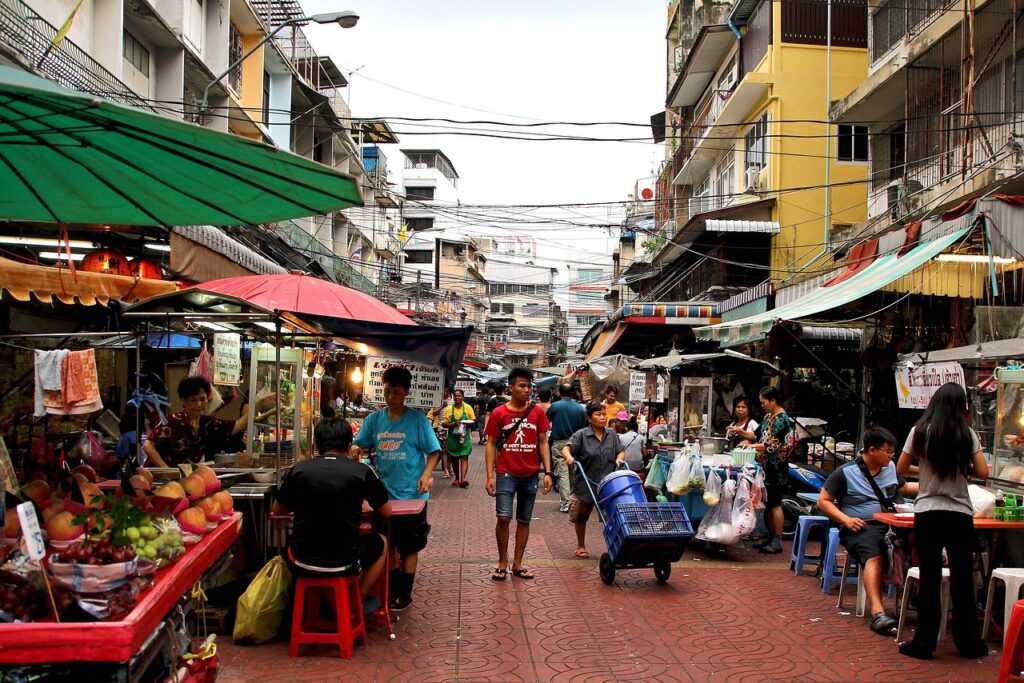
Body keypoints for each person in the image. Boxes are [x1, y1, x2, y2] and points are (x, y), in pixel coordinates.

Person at [896, 383, 989, 660]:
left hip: (927, 512)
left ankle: (924, 643)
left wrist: (924, 466)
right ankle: (968, 643)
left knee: (930, 577)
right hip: (959, 513)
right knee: (962, 578)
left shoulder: (920, 432)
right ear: (962, 406)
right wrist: (961, 467)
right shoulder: (966, 434)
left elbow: (901, 468)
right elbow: (983, 471)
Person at [273, 418, 391, 609]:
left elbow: (278, 510)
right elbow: (387, 511)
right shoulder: (361, 471)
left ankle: (326, 606)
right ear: (349, 444)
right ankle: (354, 603)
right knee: (382, 543)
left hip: (300, 558)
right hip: (345, 559)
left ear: (316, 444)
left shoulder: (299, 470)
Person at [352, 366, 441, 612]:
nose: (390, 396)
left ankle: (406, 592)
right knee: (387, 543)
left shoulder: (417, 420)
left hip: (413, 494)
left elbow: (434, 452)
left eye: (396, 392)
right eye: (387, 391)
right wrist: (355, 450)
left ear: (406, 392)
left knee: (410, 545)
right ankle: (391, 589)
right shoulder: (374, 420)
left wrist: (426, 474)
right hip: (384, 495)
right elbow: (358, 444)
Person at [818, 427, 918, 636]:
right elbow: (823, 501)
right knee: (874, 555)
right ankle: (878, 612)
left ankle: (916, 600)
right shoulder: (845, 472)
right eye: (888, 451)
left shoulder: (890, 467)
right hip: (860, 526)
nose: (892, 456)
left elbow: (903, 488)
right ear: (872, 450)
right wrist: (846, 519)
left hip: (891, 522)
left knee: (920, 546)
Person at [485, 368, 553, 580]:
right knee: (504, 517)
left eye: (529, 386)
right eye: (522, 386)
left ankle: (518, 564)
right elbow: (491, 444)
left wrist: (548, 472)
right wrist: (489, 475)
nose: (526, 390)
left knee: (524, 520)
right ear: (511, 388)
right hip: (506, 473)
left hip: (531, 474)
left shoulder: (538, 412)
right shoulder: (499, 413)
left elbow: (543, 442)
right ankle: (502, 562)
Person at [144, 376, 265, 467]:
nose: (199, 404)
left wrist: (258, 406)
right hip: (161, 481)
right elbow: (148, 445)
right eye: (193, 400)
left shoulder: (207, 423)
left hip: (184, 479)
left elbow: (237, 425)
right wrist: (165, 470)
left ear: (208, 398)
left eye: (202, 399)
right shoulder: (173, 422)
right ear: (184, 401)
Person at [562, 402, 625, 558]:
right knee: (582, 515)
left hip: (608, 483)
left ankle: (617, 544)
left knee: (612, 514)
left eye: (604, 414)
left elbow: (621, 451)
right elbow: (566, 448)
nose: (603, 417)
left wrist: (619, 459)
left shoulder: (612, 434)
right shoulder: (581, 435)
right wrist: (569, 457)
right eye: (598, 414)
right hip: (586, 482)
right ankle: (580, 545)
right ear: (590, 418)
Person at [745, 386, 794, 554]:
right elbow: (757, 436)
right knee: (768, 502)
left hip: (777, 467)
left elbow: (771, 445)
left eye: (764, 402)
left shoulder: (782, 419)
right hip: (765, 466)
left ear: (773, 401)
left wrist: (750, 447)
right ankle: (770, 536)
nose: (762, 405)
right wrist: (741, 433)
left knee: (775, 503)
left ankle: (777, 540)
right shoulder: (768, 417)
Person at [546, 383, 587, 513]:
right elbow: (583, 426)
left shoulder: (555, 406)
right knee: (573, 472)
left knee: (562, 472)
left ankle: (566, 502)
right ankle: (573, 499)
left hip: (559, 443)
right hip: (576, 443)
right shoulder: (580, 408)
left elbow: (547, 420)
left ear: (559, 392)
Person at [442, 389, 476, 488]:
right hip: (453, 438)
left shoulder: (468, 408)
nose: (457, 397)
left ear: (463, 397)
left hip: (465, 438)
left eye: (459, 396)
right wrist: (453, 424)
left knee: (464, 457)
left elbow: (473, 420)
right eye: (455, 396)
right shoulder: (449, 409)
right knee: (455, 459)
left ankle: (462, 480)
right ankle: (457, 478)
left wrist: (466, 422)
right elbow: (444, 423)